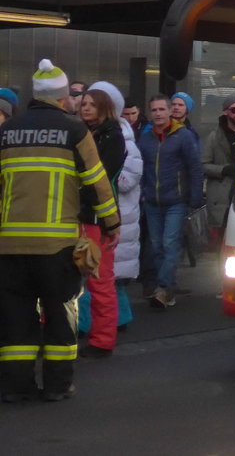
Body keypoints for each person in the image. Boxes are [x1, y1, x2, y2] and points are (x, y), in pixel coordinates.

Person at [0, 59, 119, 403]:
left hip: (9, 247)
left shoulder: (7, 132)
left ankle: (16, 387)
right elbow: (97, 183)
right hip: (57, 247)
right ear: (62, 97)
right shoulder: (74, 130)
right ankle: (57, 385)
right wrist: (111, 224)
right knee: (61, 314)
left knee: (16, 319)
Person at [138, 94, 203, 309]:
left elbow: (194, 167)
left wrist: (194, 197)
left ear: (169, 112)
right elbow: (140, 168)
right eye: (154, 110)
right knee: (156, 246)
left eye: (161, 109)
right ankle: (167, 290)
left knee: (169, 243)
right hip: (152, 200)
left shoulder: (182, 136)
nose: (157, 114)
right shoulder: (146, 138)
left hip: (176, 199)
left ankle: (163, 287)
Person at [76, 86, 127, 357]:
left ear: (104, 108)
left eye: (92, 104)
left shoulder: (112, 137)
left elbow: (102, 179)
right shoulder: (84, 133)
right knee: (77, 280)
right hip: (80, 215)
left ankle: (103, 339)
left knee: (99, 279)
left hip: (98, 218)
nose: (85, 108)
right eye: (83, 103)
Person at [89, 82, 142, 333]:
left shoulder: (124, 140)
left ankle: (110, 324)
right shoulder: (96, 134)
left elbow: (128, 178)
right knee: (107, 277)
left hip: (119, 215)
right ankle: (113, 321)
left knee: (108, 278)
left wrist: (105, 178)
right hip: (111, 213)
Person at [202, 95, 235, 239]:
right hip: (222, 195)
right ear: (226, 112)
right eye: (233, 109)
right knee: (220, 241)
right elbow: (204, 165)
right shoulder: (215, 137)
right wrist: (223, 170)